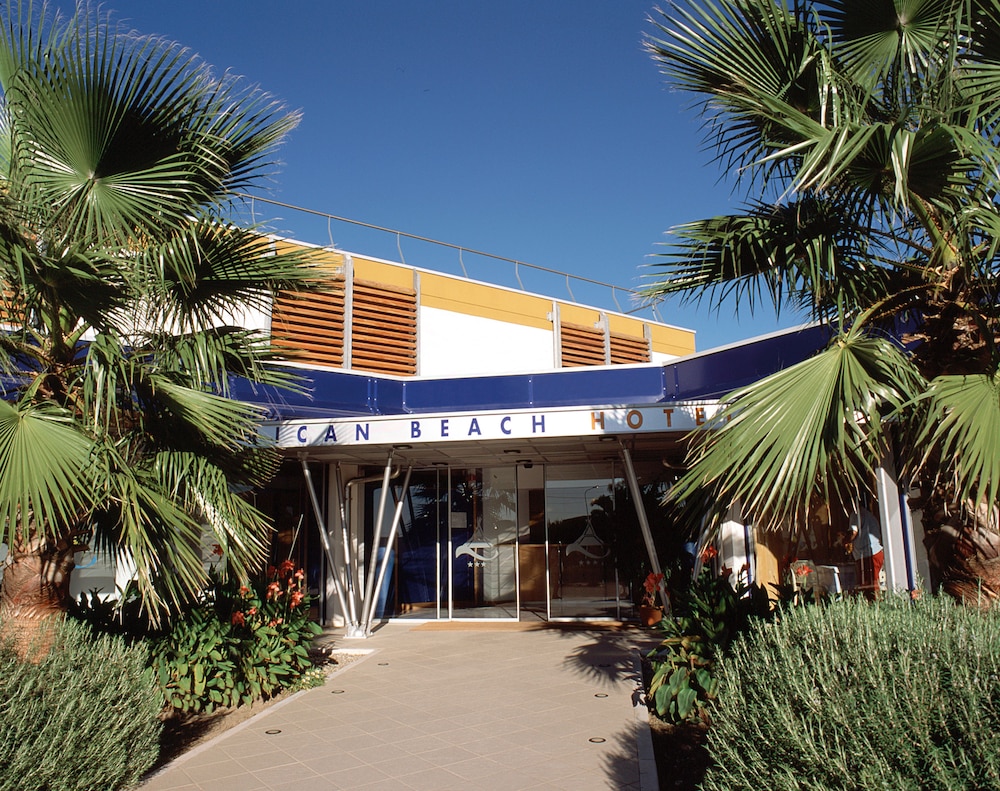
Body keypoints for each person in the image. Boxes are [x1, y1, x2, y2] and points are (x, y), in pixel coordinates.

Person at [848, 505, 884, 592]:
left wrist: (845, 540)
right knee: (874, 581)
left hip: (866, 553)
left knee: (868, 584)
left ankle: (875, 603)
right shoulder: (869, 515)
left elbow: (854, 532)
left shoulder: (856, 514)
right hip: (876, 551)